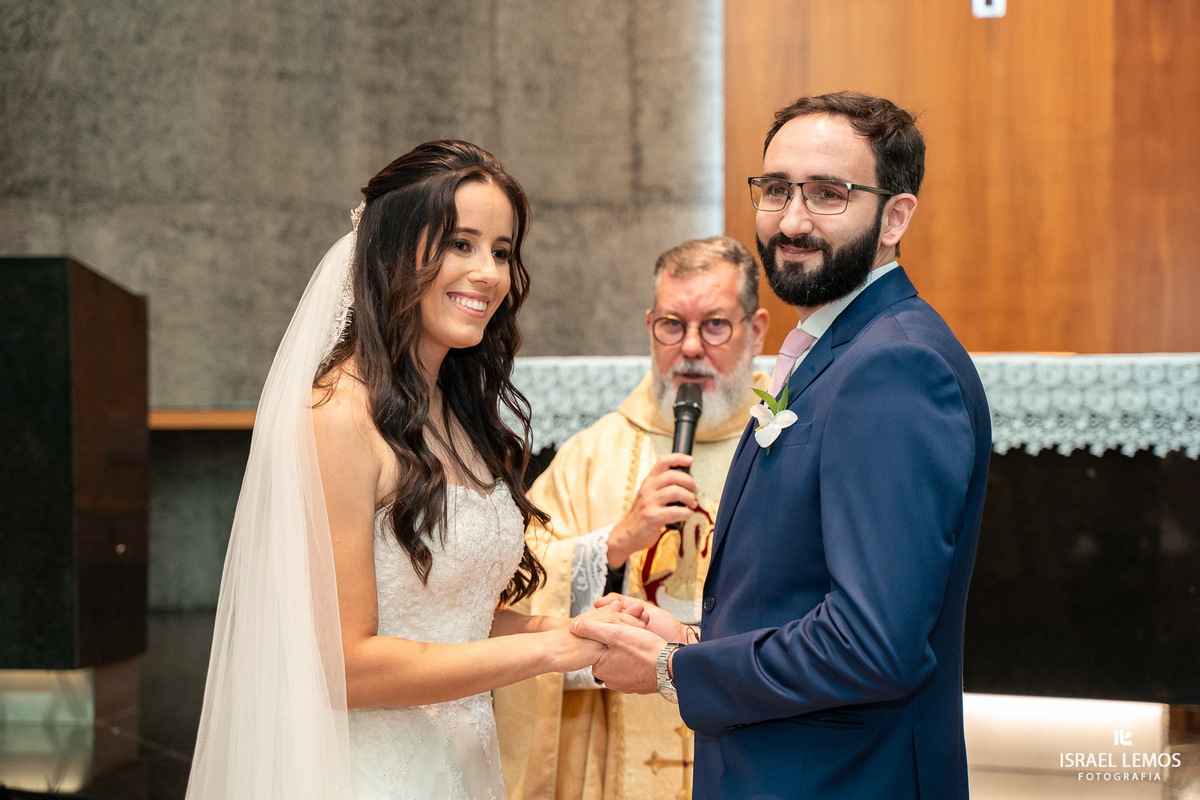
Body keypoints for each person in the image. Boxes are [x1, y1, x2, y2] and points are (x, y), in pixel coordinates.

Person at [185, 141, 636, 800]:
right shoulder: (338, 417)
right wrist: (551, 651)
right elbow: (348, 666)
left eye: (503, 251)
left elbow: (446, 619)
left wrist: (576, 630)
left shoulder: (457, 414)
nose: (488, 273)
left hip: (459, 765)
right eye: (461, 244)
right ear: (392, 253)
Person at [573, 91, 992, 799]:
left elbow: (872, 646)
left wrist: (676, 672)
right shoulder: (836, 349)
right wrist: (687, 640)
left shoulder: (893, 367)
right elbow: (801, 598)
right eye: (775, 190)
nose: (792, 221)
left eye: (829, 194)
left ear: (895, 216)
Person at [494, 237, 770, 799]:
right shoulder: (595, 454)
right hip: (611, 755)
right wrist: (614, 544)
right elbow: (511, 587)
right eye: (672, 325)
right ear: (650, 327)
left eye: (715, 325)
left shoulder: (786, 440)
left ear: (757, 329)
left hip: (755, 734)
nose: (691, 348)